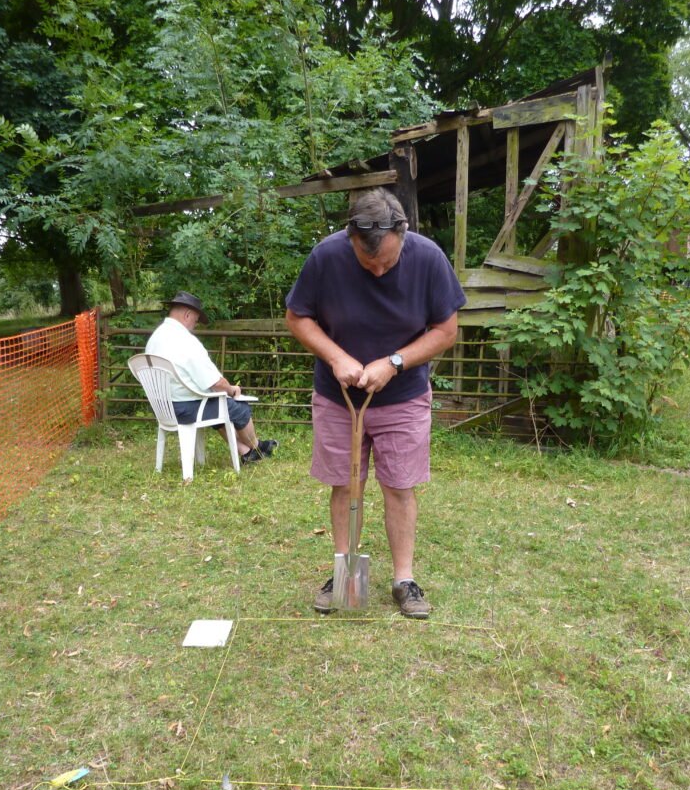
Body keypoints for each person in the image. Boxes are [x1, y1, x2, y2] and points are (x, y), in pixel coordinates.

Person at [285, 188, 466, 617]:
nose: (379, 271)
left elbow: (446, 331)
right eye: (369, 264)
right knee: (345, 484)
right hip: (339, 398)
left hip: (403, 396)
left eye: (387, 261)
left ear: (403, 233)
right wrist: (336, 357)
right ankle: (345, 572)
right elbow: (298, 317)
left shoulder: (428, 258)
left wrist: (394, 362)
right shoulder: (326, 257)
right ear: (350, 238)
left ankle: (404, 580)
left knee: (400, 485)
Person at [145, 291, 278, 465]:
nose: (195, 325)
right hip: (186, 409)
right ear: (187, 315)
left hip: (163, 407)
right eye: (196, 320)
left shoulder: (155, 338)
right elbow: (215, 382)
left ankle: (246, 452)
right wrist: (232, 390)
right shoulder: (185, 341)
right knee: (238, 407)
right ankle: (257, 447)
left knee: (218, 405)